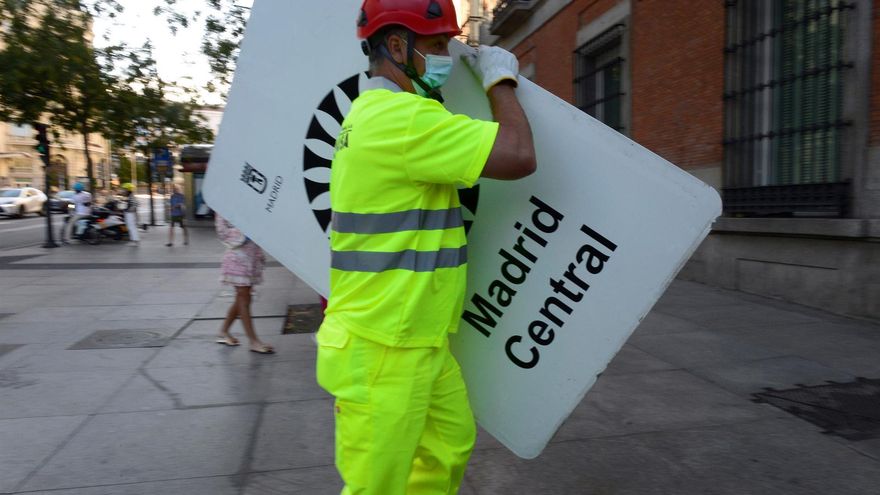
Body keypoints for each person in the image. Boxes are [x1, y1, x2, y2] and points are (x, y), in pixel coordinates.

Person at [314, 1, 536, 493]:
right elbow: (519, 155)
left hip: (414, 339)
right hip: (383, 349)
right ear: (397, 46)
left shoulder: (371, 114)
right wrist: (500, 81)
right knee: (377, 485)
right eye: (437, 45)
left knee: (447, 450)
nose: (447, 57)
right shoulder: (402, 119)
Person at [215, 215, 274, 354]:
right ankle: (253, 341)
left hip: (252, 257)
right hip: (237, 257)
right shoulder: (222, 202)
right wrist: (246, 232)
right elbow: (222, 232)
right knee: (243, 297)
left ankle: (223, 331)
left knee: (243, 297)